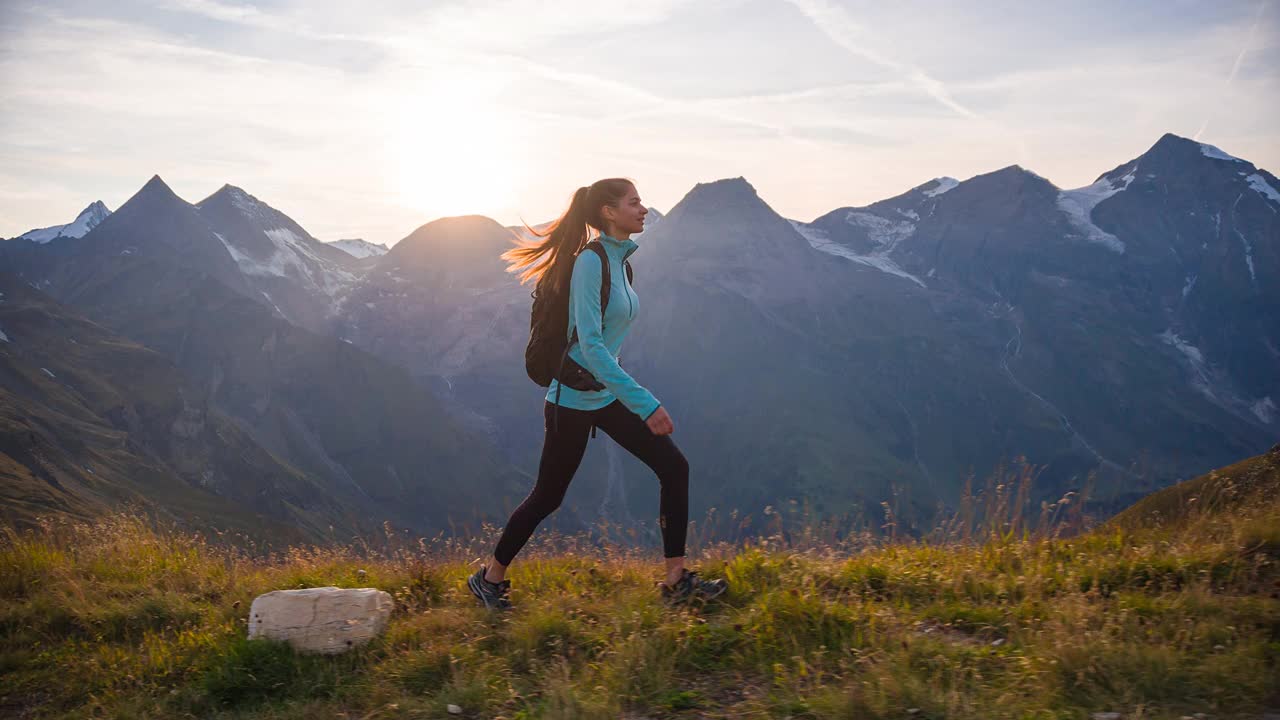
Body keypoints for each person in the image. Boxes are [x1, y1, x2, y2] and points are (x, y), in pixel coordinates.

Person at [467, 178, 726, 609]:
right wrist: (646, 404)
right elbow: (590, 345)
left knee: (673, 467)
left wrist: (624, 392)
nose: (643, 209)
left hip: (603, 394)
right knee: (548, 496)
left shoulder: (622, 263)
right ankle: (489, 579)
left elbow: (607, 343)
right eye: (634, 202)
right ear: (609, 212)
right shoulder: (591, 262)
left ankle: (675, 581)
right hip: (571, 399)